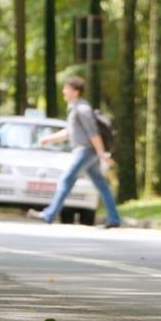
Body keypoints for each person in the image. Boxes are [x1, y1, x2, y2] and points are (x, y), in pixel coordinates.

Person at [27, 76, 122, 229]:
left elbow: (93, 133)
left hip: (85, 151)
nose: (64, 91)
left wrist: (102, 153)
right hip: (87, 151)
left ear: (76, 92)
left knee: (66, 180)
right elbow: (68, 133)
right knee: (101, 185)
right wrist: (48, 139)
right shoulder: (74, 109)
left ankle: (50, 213)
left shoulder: (82, 109)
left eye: (67, 89)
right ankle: (114, 218)